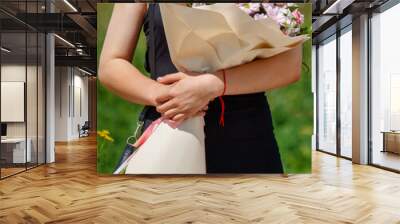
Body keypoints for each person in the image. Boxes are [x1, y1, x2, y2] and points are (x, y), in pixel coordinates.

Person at [99, 3, 302, 173]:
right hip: (171, 127)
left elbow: (290, 65)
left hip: (247, 136)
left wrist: (214, 84)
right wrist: (167, 95)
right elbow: (111, 64)